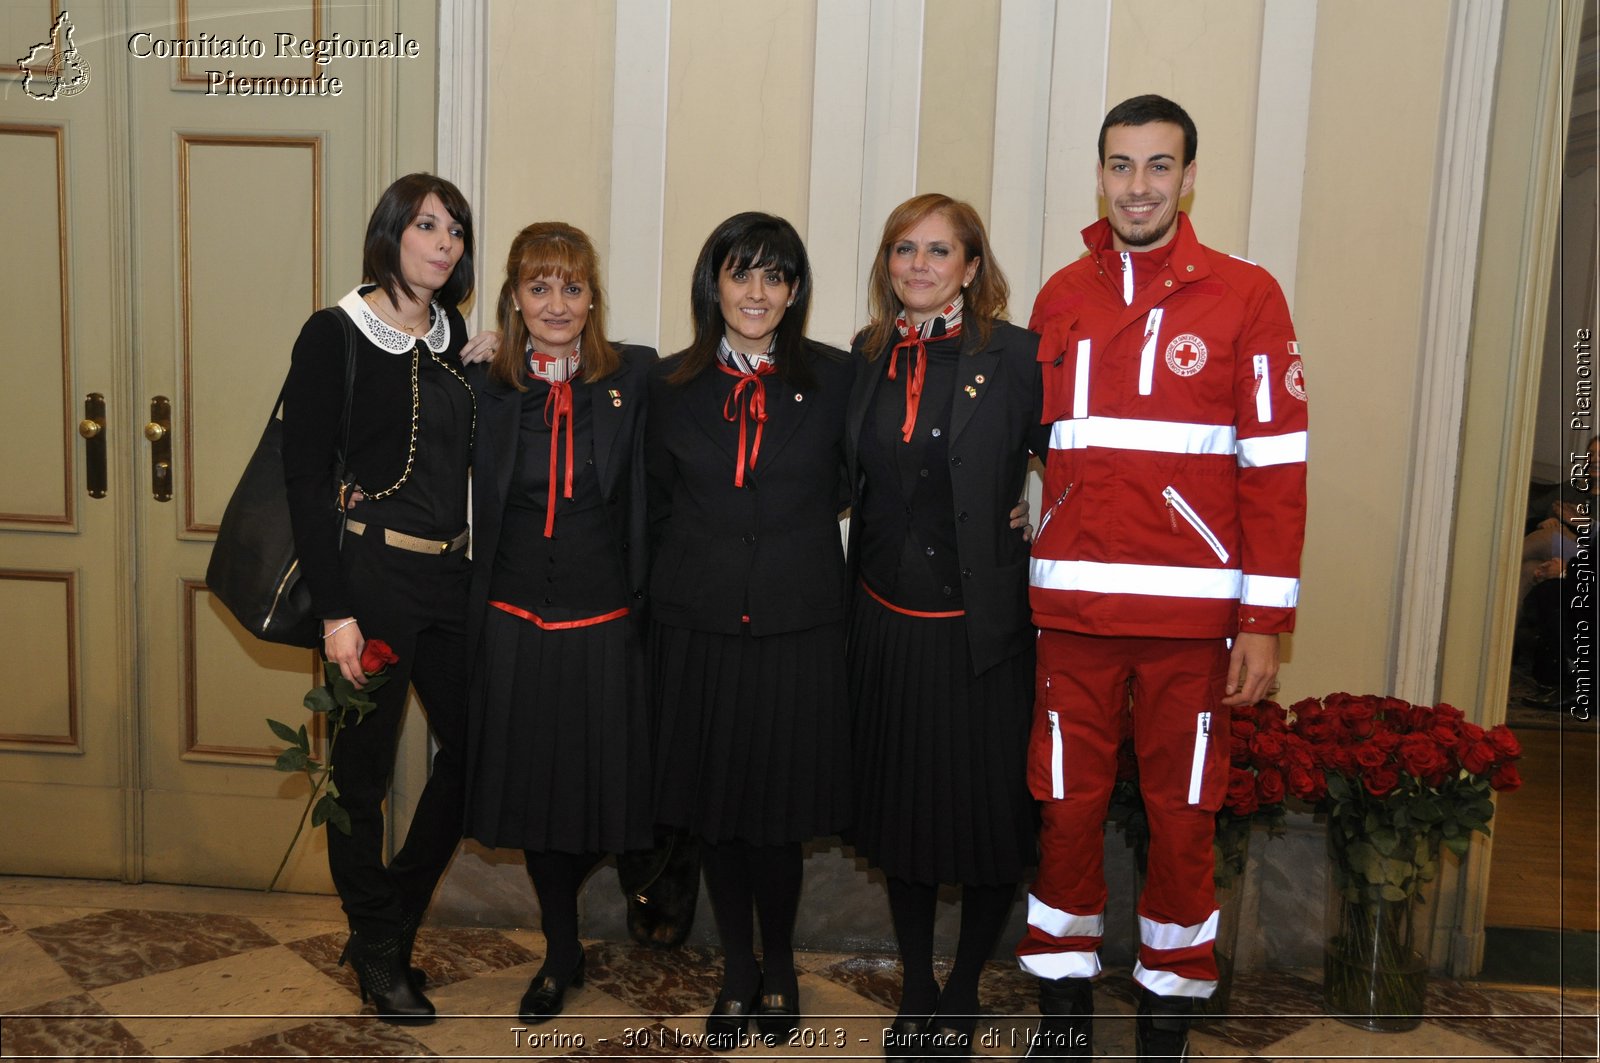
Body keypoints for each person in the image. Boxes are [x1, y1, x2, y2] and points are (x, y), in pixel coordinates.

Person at [1018, 95, 1308, 1061]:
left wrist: (1262, 621)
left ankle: (1165, 1020)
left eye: (1157, 165)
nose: (1137, 184)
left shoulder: (1247, 296)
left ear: (1188, 178)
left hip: (1192, 625)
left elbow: (1276, 466)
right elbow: (1037, 440)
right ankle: (1062, 1010)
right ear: (1099, 175)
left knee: (1184, 827)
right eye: (1120, 165)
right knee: (1065, 814)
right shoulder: (1058, 293)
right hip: (1070, 615)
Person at [845, 193, 1046, 1058]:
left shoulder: (1018, 355)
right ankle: (918, 983)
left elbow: (1081, 457)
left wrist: (1041, 509)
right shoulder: (866, 354)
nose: (918, 266)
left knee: (988, 819)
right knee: (904, 818)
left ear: (972, 266)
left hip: (981, 633)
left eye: (938, 251)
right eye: (903, 250)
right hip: (886, 622)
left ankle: (963, 986)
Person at [646, 212, 853, 1049]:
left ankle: (784, 969)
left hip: (796, 627)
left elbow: (887, 470)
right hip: (696, 627)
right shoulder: (665, 386)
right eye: (741, 273)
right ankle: (737, 968)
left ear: (795, 291)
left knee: (777, 816)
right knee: (717, 812)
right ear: (714, 285)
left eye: (775, 275)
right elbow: (652, 506)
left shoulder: (840, 378)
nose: (757, 291)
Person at [282, 173, 483, 1024]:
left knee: (478, 755)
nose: (444, 243)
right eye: (427, 226)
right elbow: (301, 480)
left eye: (457, 231)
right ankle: (376, 944)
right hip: (367, 583)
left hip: (449, 580)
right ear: (391, 233)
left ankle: (389, 914)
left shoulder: (451, 334)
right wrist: (335, 612)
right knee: (360, 782)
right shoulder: (335, 333)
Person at [461, 222, 657, 1023]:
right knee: (537, 797)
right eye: (538, 287)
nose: (556, 303)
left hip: (607, 624)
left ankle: (608, 911)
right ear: (513, 298)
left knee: (606, 792)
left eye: (572, 286)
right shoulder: (484, 385)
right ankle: (559, 947)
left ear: (592, 298)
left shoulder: (636, 377)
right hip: (514, 624)